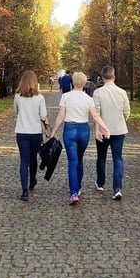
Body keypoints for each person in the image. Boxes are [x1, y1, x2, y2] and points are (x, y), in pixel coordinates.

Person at [50, 71, 110, 205]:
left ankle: (73, 192)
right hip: (84, 130)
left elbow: (60, 116)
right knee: (80, 158)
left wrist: (54, 130)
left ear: (72, 82)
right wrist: (105, 127)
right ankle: (79, 188)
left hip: (70, 129)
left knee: (72, 161)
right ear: (84, 83)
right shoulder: (88, 99)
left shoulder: (66, 97)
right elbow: (95, 116)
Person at [93, 65, 130, 201]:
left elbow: (96, 113)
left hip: (102, 130)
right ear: (114, 77)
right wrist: (121, 120)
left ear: (102, 78)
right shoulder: (122, 92)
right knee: (118, 158)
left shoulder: (98, 93)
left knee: (101, 157)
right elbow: (127, 111)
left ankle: (101, 182)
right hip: (119, 129)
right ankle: (117, 188)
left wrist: (97, 129)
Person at [13, 70, 48, 202]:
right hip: (35, 133)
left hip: (22, 132)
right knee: (33, 158)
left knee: (24, 160)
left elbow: (16, 111)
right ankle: (32, 180)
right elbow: (43, 116)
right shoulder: (40, 98)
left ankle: (24, 191)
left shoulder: (17, 97)